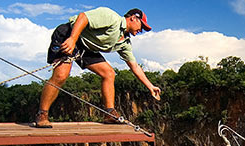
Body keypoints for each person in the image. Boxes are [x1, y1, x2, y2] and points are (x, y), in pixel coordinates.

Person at [32, 7, 161, 128]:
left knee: (109, 73)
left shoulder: (124, 43)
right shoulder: (111, 17)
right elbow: (83, 17)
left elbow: (135, 66)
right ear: (133, 18)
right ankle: (42, 114)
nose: (141, 30)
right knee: (61, 75)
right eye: (141, 26)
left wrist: (150, 86)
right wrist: (72, 39)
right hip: (69, 34)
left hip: (86, 48)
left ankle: (109, 114)